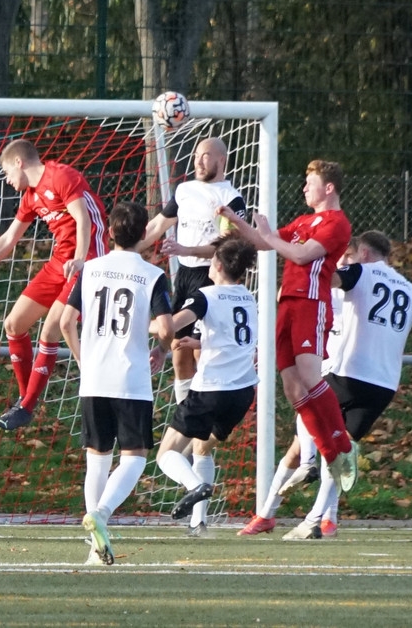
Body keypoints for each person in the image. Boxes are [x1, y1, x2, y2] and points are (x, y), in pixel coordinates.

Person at [244, 230, 412, 539]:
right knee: (338, 451)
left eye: (348, 255)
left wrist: (297, 277)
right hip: (384, 385)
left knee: (307, 409)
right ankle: (306, 519)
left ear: (362, 253)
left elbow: (323, 282)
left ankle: (299, 483)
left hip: (349, 372)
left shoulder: (359, 273)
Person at [0, 139, 107, 432]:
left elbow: (83, 219)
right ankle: (24, 400)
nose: (7, 181)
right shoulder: (31, 197)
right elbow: (8, 240)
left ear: (19, 163)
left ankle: (28, 405)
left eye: (7, 173)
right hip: (60, 261)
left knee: (51, 329)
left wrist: (81, 259)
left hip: (90, 259)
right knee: (13, 324)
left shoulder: (61, 175)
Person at [219, 159, 358, 497]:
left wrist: (269, 236)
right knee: (293, 389)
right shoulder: (303, 221)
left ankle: (343, 446)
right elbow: (263, 242)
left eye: (310, 183)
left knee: (310, 375)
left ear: (329, 188)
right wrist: (236, 220)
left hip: (311, 302)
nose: (304, 188)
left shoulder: (338, 223)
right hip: (287, 305)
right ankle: (327, 456)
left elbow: (301, 255)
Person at [60, 201, 174, 565]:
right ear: (144, 235)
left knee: (97, 460)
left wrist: (83, 360)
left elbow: (65, 322)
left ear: (109, 232)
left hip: (94, 379)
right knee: (135, 458)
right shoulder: (152, 275)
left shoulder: (90, 269)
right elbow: (166, 327)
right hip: (130, 379)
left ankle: (95, 547)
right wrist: (161, 350)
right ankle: (102, 514)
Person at [237, 238, 359, 536]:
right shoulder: (316, 288)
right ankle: (267, 514)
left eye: (349, 257)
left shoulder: (356, 288)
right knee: (301, 447)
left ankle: (327, 517)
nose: (342, 262)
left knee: (334, 447)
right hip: (316, 369)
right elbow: (286, 298)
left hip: (341, 374)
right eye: (339, 257)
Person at [155, 237, 259, 537]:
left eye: (212, 259)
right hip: (242, 393)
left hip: (211, 390)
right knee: (201, 447)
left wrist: (142, 325)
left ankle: (195, 485)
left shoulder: (206, 296)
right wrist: (200, 342)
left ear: (218, 265)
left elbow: (170, 326)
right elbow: (235, 338)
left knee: (166, 455)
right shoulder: (248, 297)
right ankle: (198, 524)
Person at [135, 137, 247, 405]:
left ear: (221, 160)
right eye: (196, 155)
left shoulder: (231, 199)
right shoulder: (185, 190)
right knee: (179, 352)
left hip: (211, 279)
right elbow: (157, 226)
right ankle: (183, 416)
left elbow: (226, 248)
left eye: (205, 156)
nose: (198, 161)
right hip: (185, 277)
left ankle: (206, 417)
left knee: (201, 352)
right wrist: (125, 249)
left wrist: (187, 249)